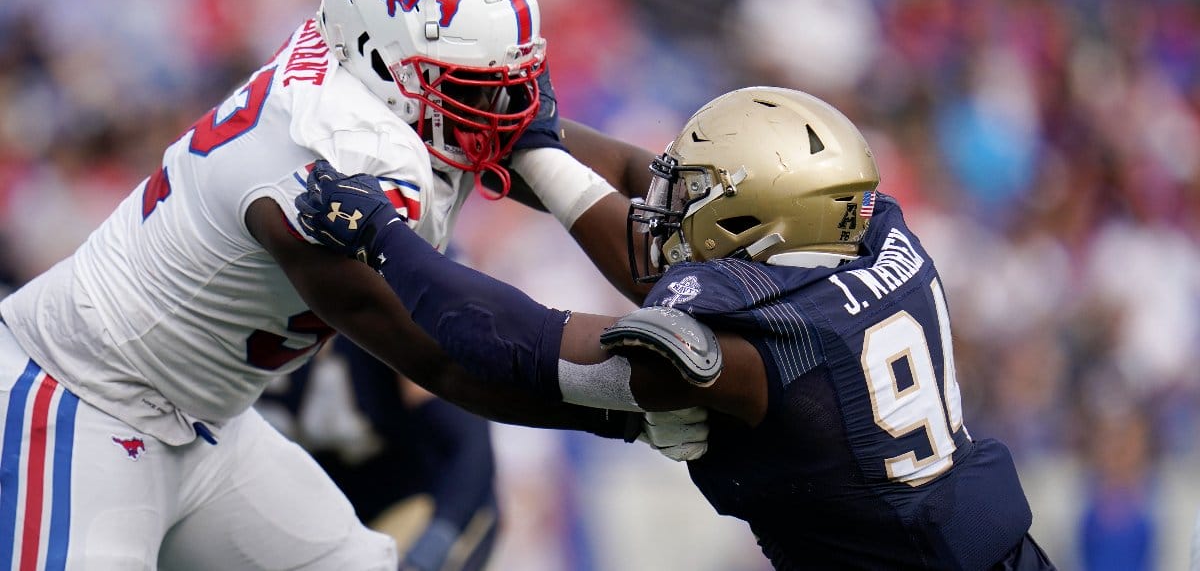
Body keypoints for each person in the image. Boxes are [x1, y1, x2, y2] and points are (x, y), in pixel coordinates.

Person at [0, 0, 691, 569]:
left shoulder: (388, 86)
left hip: (209, 419)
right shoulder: (319, 161)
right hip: (83, 398)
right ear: (383, 63)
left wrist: (707, 227)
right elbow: (446, 361)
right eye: (477, 89)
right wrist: (627, 406)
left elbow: (610, 172)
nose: (501, 108)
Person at [296, 86, 1059, 570]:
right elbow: (645, 209)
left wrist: (382, 238)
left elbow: (513, 352)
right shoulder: (875, 232)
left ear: (754, 221)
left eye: (692, 193)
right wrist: (515, 133)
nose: (664, 205)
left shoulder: (748, 356)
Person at [257, 333, 501, 571]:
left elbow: (470, 442)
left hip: (412, 501)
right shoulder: (251, 329)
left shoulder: (386, 327)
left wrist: (436, 539)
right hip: (318, 510)